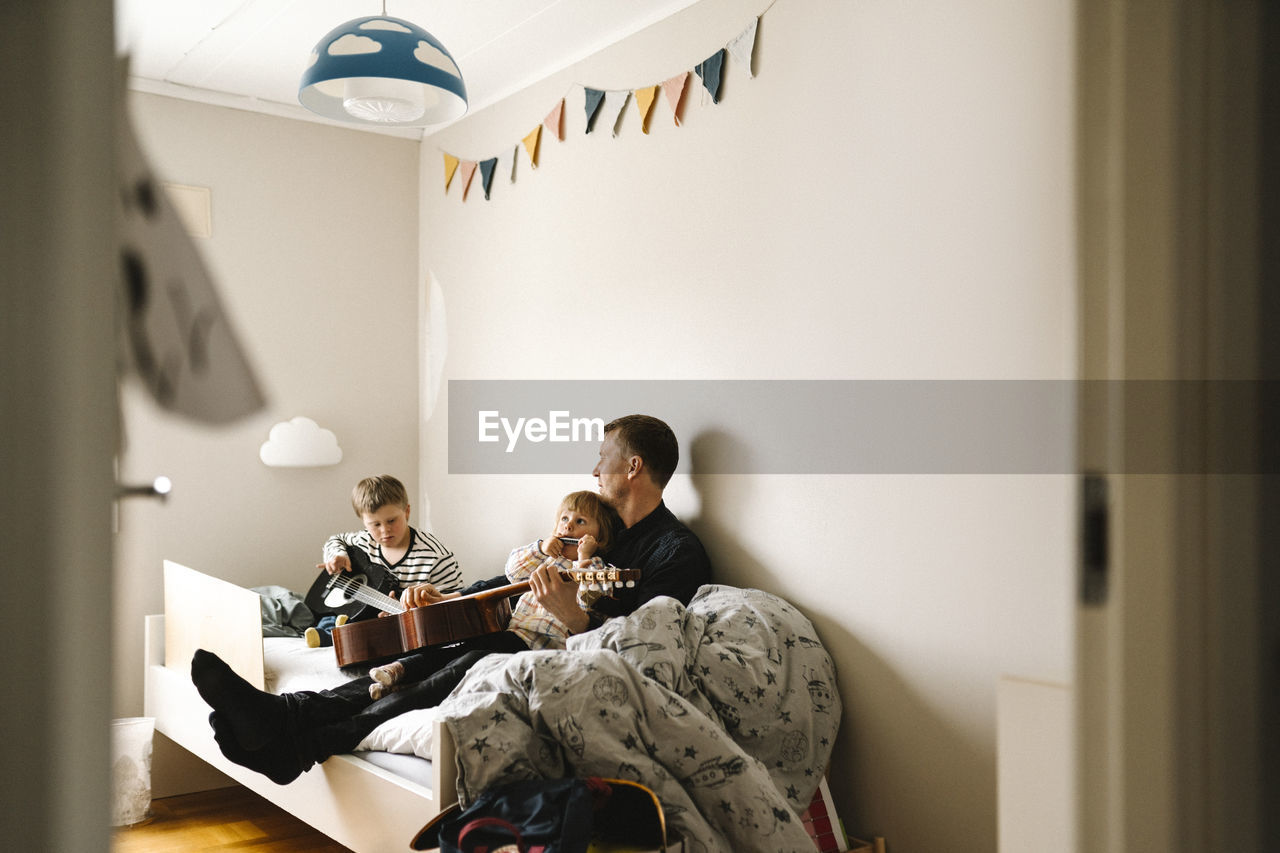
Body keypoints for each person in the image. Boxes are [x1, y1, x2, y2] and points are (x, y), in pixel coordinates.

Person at [191, 414, 711, 785]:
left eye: (603, 459)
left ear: (634, 466)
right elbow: (516, 580)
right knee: (424, 656)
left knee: (457, 666)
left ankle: (297, 739)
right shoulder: (596, 527)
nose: (595, 470)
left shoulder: (676, 550)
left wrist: (575, 618)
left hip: (559, 656)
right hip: (520, 631)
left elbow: (642, 648)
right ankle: (288, 716)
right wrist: (449, 598)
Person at [305, 474, 464, 647]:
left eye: (391, 520)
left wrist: (407, 612)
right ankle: (333, 630)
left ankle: (339, 634)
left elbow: (453, 608)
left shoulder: (435, 557)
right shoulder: (364, 540)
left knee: (379, 631)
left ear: (407, 512)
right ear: (364, 523)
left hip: (401, 624)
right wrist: (339, 555)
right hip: (358, 610)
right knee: (331, 616)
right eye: (375, 524)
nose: (385, 530)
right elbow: (336, 540)